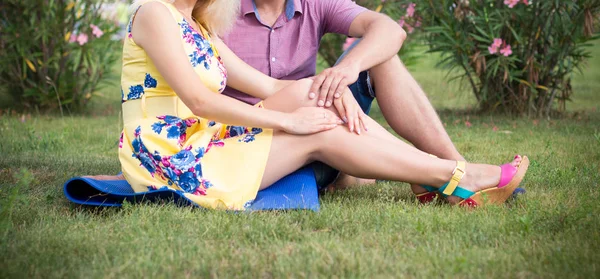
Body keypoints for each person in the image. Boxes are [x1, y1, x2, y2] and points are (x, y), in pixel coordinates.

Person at [93, 0, 528, 210]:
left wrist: (330, 87)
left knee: (314, 99)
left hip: (205, 140)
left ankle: (446, 177)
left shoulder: (200, 28)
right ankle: (451, 175)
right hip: (171, 152)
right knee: (315, 124)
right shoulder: (153, 12)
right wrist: (290, 120)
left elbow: (272, 84)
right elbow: (200, 99)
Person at [219, 0, 521, 200]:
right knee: (313, 100)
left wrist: (346, 70)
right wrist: (325, 92)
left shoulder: (313, 2)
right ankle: (446, 176)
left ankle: (454, 167)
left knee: (380, 56)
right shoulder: (216, 10)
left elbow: (390, 30)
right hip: (266, 144)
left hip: (321, 116)